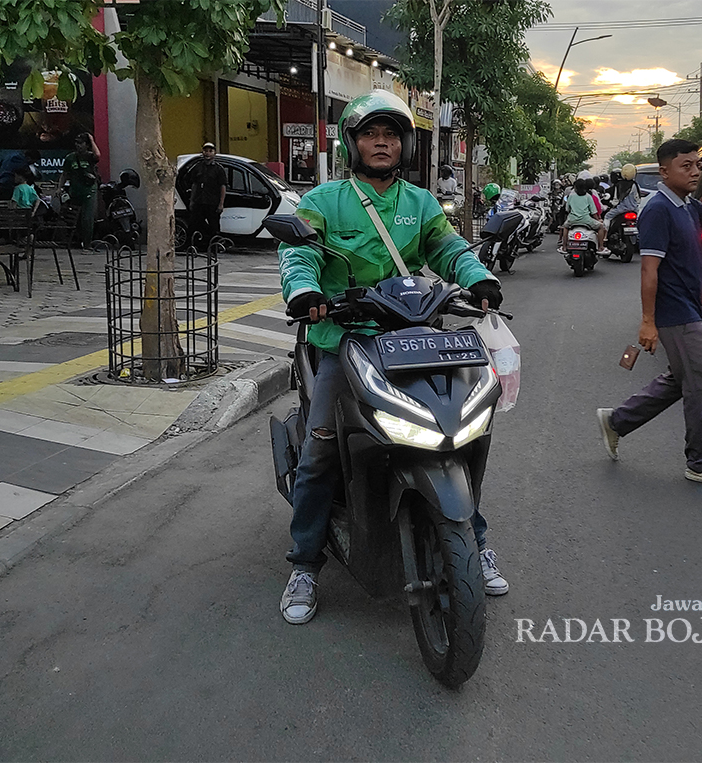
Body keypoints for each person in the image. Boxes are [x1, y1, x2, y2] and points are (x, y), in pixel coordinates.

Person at [277, 90, 509, 625]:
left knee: (461, 429)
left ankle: (473, 537)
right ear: (351, 143)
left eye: (391, 135)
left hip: (413, 337)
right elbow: (300, 253)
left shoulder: (421, 202)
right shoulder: (324, 201)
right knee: (320, 452)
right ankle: (306, 563)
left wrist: (479, 279)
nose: (381, 143)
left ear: (404, 144)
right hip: (345, 339)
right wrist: (305, 293)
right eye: (369, 135)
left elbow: (448, 248)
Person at [596, 139, 702, 487]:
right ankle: (701, 462)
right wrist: (648, 321)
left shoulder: (687, 206)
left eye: (696, 164)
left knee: (679, 380)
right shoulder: (659, 209)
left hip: (691, 307)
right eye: (686, 166)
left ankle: (617, 421)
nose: (693, 171)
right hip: (675, 312)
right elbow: (649, 270)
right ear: (664, 171)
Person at [57, 133, 99, 247]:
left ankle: (87, 244)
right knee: (74, 218)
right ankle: (76, 240)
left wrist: (92, 140)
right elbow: (64, 174)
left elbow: (98, 155)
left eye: (81, 143)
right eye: (77, 143)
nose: (78, 145)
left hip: (88, 191)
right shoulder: (70, 158)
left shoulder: (89, 157)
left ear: (87, 145)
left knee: (87, 218)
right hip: (75, 191)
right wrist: (59, 187)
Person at [186, 142, 226, 250]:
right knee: (194, 224)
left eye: (210, 151)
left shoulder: (219, 169)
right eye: (205, 151)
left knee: (214, 225)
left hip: (212, 202)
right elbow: (194, 184)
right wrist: (192, 201)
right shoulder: (197, 167)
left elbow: (223, 187)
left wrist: (221, 204)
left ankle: (215, 247)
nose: (207, 153)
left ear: (214, 153)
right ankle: (195, 246)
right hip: (199, 202)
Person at [560, 177, 608, 253]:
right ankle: (600, 247)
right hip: (586, 220)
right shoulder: (588, 197)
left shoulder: (571, 196)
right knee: (601, 227)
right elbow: (593, 212)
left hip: (572, 220)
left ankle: (564, 247)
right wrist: (598, 220)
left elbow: (567, 209)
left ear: (575, 188)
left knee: (565, 228)